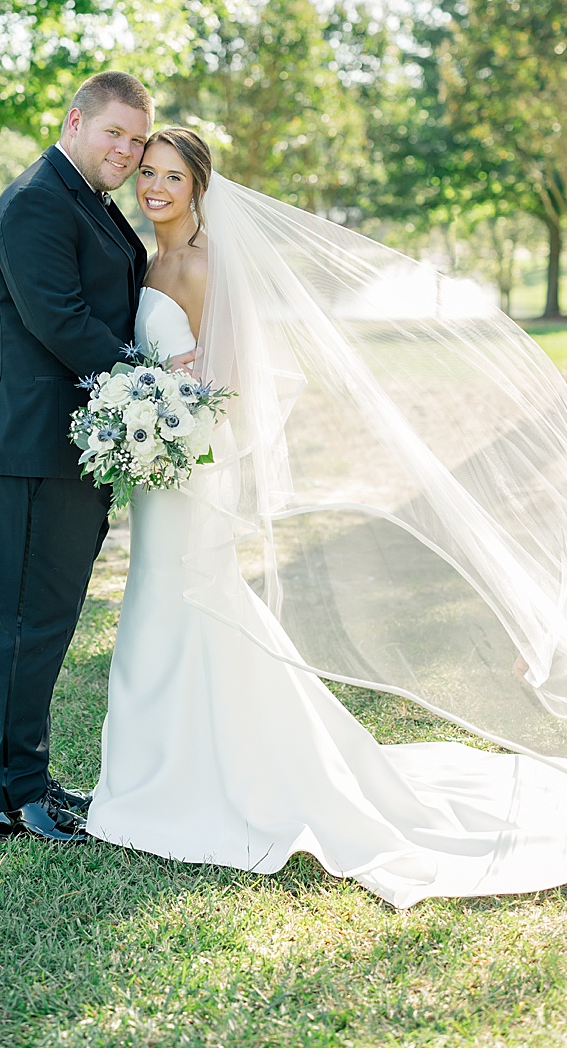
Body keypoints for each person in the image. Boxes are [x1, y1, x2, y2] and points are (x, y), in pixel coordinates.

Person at [85, 127, 566, 907]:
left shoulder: (205, 264)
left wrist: (176, 423)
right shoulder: (149, 261)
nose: (155, 188)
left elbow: (232, 380)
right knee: (159, 607)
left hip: (190, 467)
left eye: (172, 177)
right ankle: (153, 772)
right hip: (158, 469)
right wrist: (143, 409)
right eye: (147, 173)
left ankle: (186, 782)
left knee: (185, 604)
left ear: (199, 188)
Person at [0, 71, 170, 843]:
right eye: (114, 132)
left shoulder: (87, 200)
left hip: (74, 448)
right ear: (75, 121)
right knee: (29, 625)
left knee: (48, 622)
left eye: (136, 140)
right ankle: (13, 797)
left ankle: (33, 775)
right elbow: (62, 321)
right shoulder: (36, 202)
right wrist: (152, 384)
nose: (126, 150)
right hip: (30, 450)